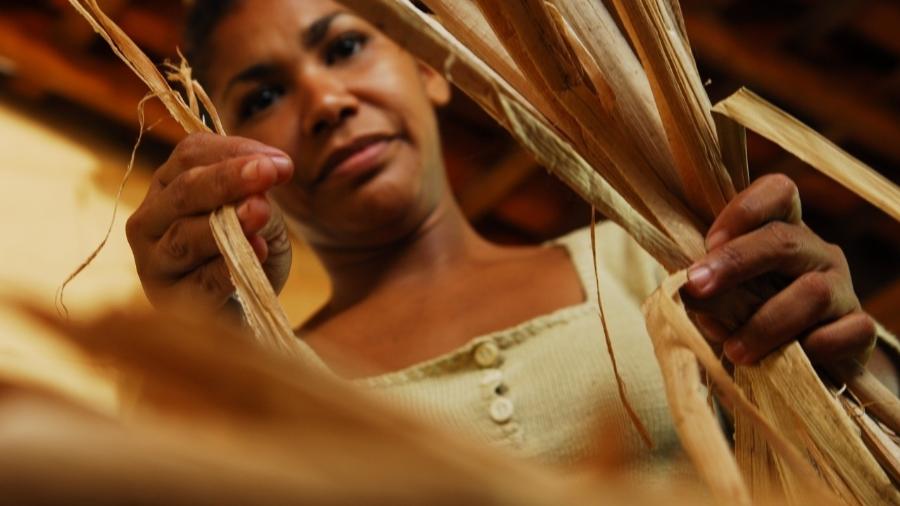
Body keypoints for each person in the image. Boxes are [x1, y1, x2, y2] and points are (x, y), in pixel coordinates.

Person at [125, 0, 897, 467]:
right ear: (228, 148)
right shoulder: (269, 385)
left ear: (430, 64)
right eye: (262, 95)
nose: (326, 100)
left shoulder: (656, 262)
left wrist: (844, 372)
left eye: (347, 45)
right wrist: (196, 368)